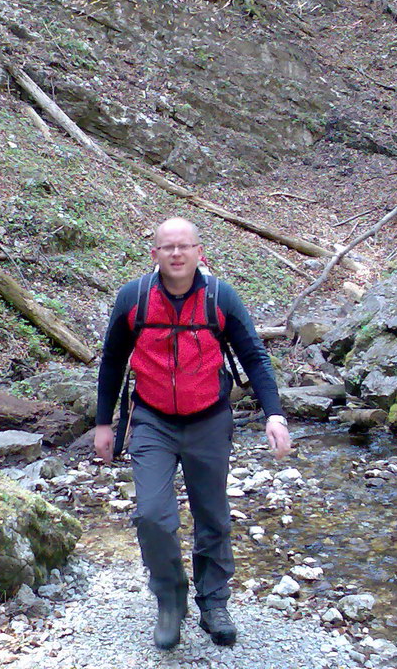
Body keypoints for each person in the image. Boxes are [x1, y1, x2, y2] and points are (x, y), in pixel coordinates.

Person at [94, 217, 291, 650]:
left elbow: (254, 356)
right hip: (152, 420)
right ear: (155, 254)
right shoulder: (135, 298)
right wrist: (104, 423)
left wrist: (274, 414)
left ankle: (214, 601)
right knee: (151, 515)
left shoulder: (220, 296)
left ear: (200, 252)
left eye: (185, 246)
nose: (177, 254)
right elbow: (112, 361)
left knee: (213, 516)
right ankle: (170, 598)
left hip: (209, 418)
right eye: (168, 247)